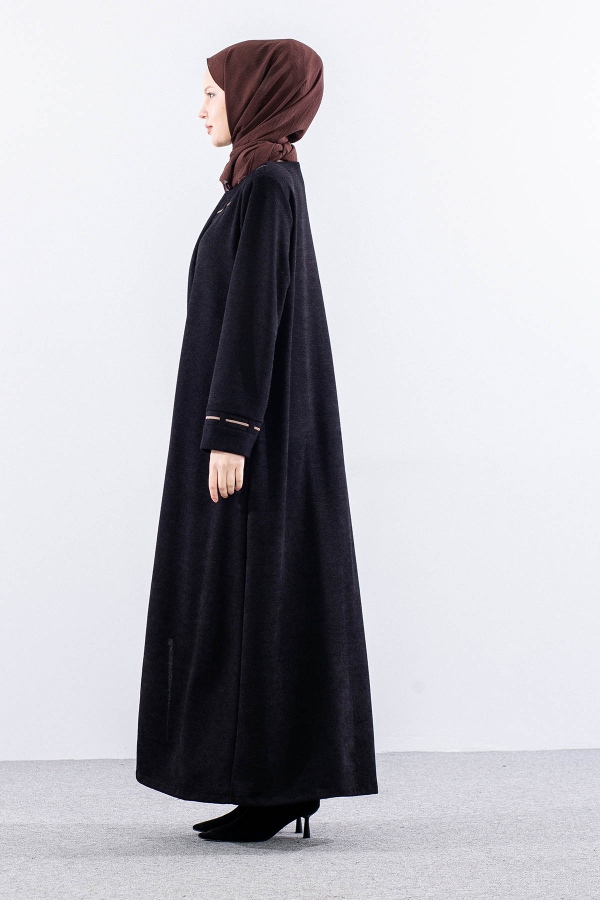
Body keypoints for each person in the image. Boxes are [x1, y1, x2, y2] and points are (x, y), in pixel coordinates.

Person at [135, 38, 378, 843]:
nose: (201, 109)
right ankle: (276, 782)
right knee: (253, 598)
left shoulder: (268, 186)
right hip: (251, 426)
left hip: (252, 434)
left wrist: (229, 433)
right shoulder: (257, 182)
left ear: (256, 96)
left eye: (213, 92)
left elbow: (252, 316)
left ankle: (276, 786)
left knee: (255, 597)